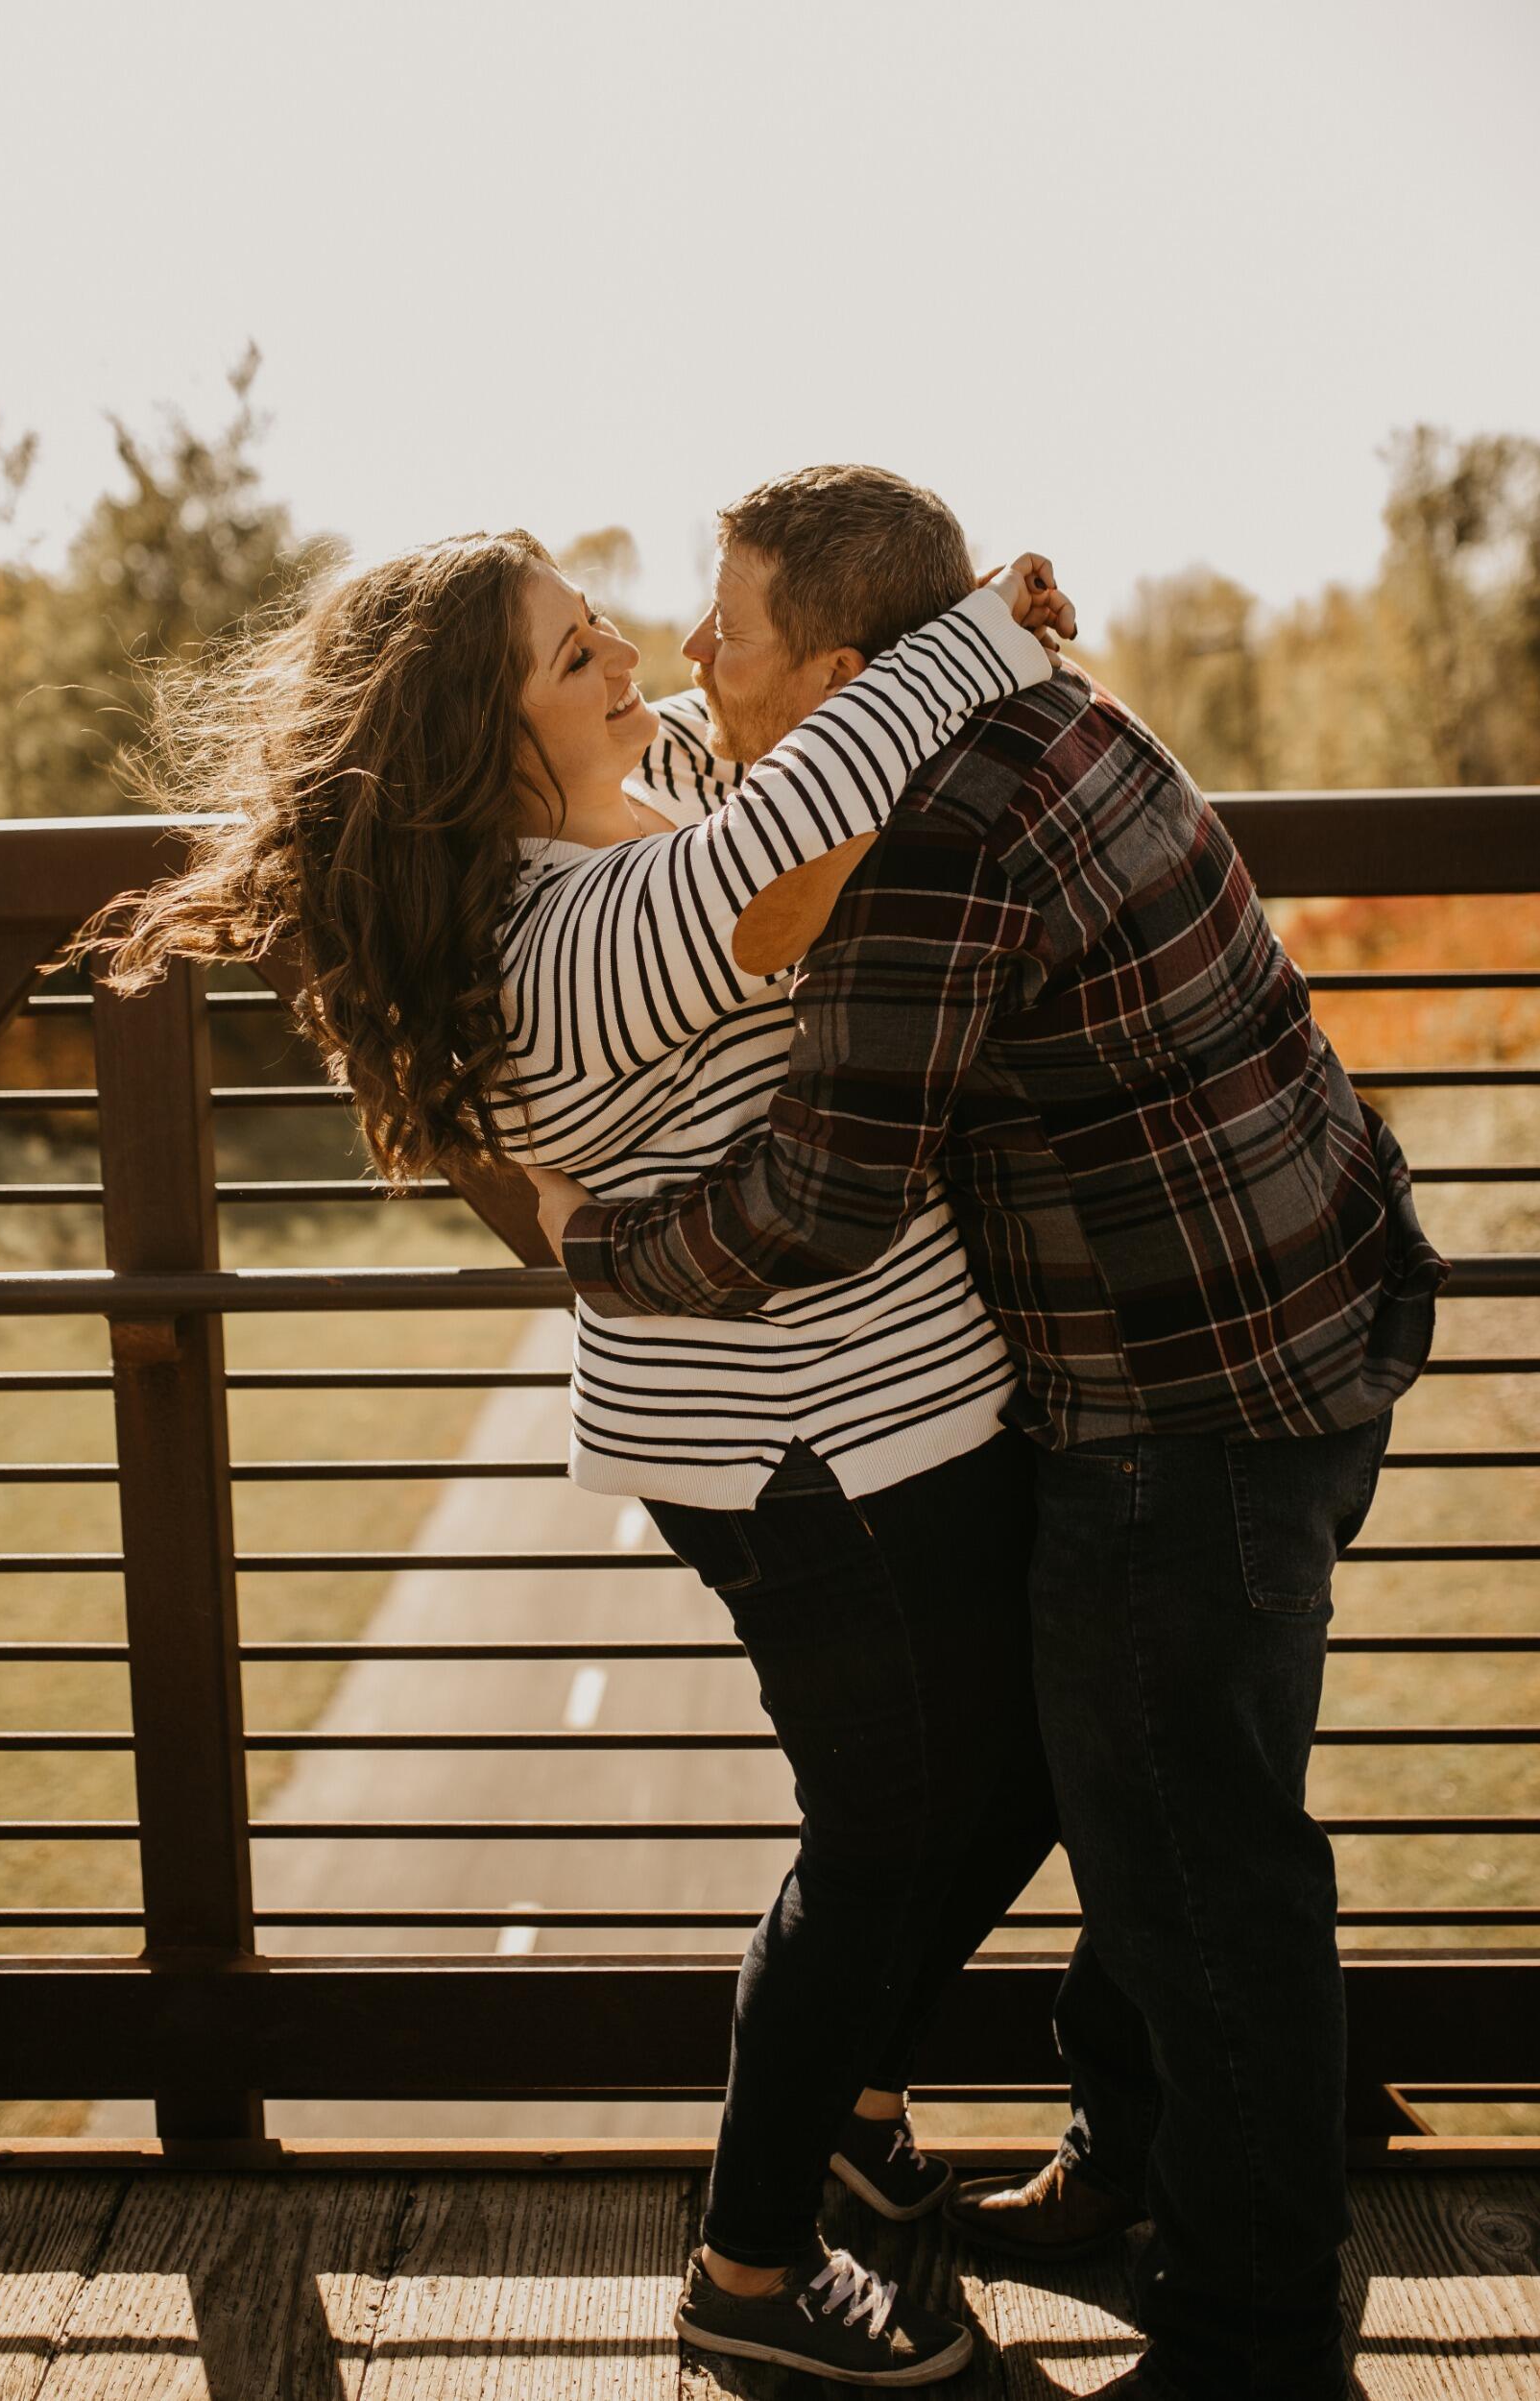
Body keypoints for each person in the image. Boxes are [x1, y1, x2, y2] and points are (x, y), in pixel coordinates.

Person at [80, 495, 1076, 2389]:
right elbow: (790, 822)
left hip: (875, 1409)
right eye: (573, 653)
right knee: (883, 1832)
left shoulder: (635, 796)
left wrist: (895, 650)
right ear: (491, 742)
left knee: (1025, 1766)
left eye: (602, 625)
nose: (629, 655)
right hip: (803, 1448)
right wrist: (986, 628)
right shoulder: (567, 939)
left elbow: (771, 756)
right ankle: (751, 2271)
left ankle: (852, 2102)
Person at [534, 466, 1447, 2401]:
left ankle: (1255, 2339)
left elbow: (815, 1200)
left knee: (1197, 1865)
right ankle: (1132, 2163)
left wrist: (593, 1244)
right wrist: (974, 622)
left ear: (843, 676)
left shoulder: (934, 843)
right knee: (1154, 1810)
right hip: (1314, 1297)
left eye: (727, 629)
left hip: (1188, 1396)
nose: (689, 658)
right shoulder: (1031, 704)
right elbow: (723, 774)